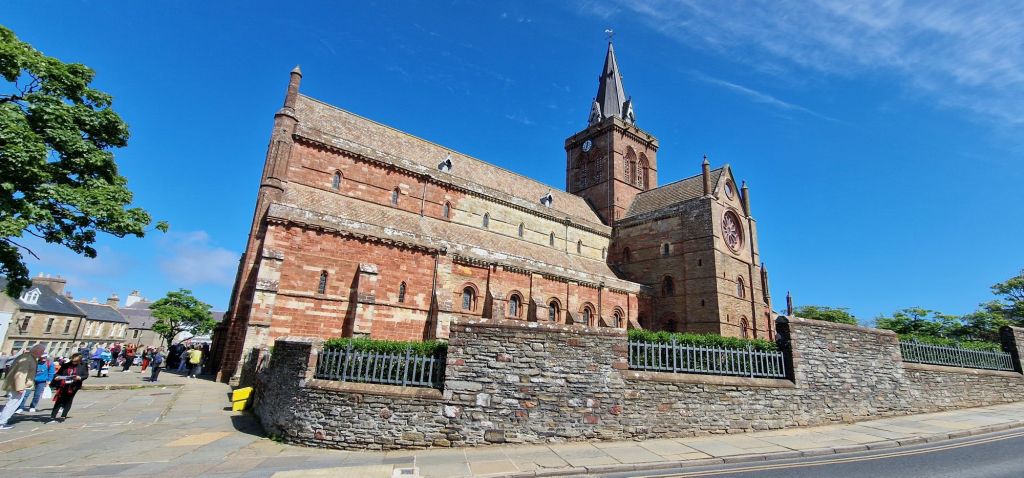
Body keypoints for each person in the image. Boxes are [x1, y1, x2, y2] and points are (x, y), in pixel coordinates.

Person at [0, 344, 46, 430]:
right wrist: (20, 387)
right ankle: (2, 422)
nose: (42, 353)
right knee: (12, 404)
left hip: (21, 385)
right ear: (37, 350)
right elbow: (20, 373)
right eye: (42, 351)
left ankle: (2, 420)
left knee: (12, 404)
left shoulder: (30, 358)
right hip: (19, 386)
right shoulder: (27, 358)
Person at [49, 353, 88, 423]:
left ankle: (63, 415)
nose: (74, 362)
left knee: (69, 400)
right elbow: (58, 373)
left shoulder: (83, 365)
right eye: (73, 361)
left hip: (74, 385)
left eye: (76, 361)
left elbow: (85, 375)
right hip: (63, 384)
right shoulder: (66, 365)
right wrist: (57, 377)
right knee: (59, 400)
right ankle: (53, 416)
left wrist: (80, 377)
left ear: (79, 361)